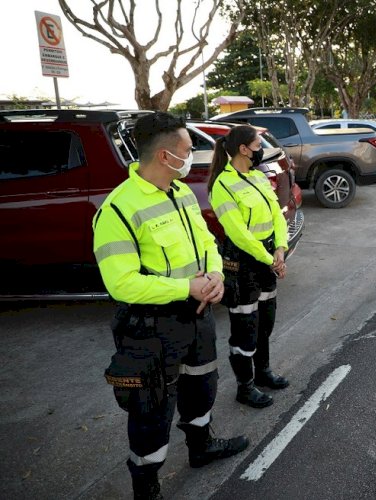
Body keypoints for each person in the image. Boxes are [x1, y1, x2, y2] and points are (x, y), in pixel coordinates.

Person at [93, 112, 249, 500]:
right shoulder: (117, 210)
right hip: (151, 328)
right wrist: (188, 288)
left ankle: (201, 446)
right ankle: (146, 486)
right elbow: (122, 283)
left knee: (202, 388)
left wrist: (214, 276)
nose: (191, 155)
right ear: (165, 156)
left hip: (197, 317)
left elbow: (208, 243)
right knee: (152, 410)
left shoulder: (180, 193)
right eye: (186, 149)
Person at [207, 125, 290, 409]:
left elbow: (277, 213)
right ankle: (245, 386)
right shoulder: (222, 185)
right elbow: (239, 234)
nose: (261, 149)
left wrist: (280, 247)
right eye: (258, 144)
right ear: (244, 149)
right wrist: (270, 259)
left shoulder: (257, 176)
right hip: (242, 263)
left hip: (268, 256)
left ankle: (263, 373)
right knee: (245, 328)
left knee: (265, 322)